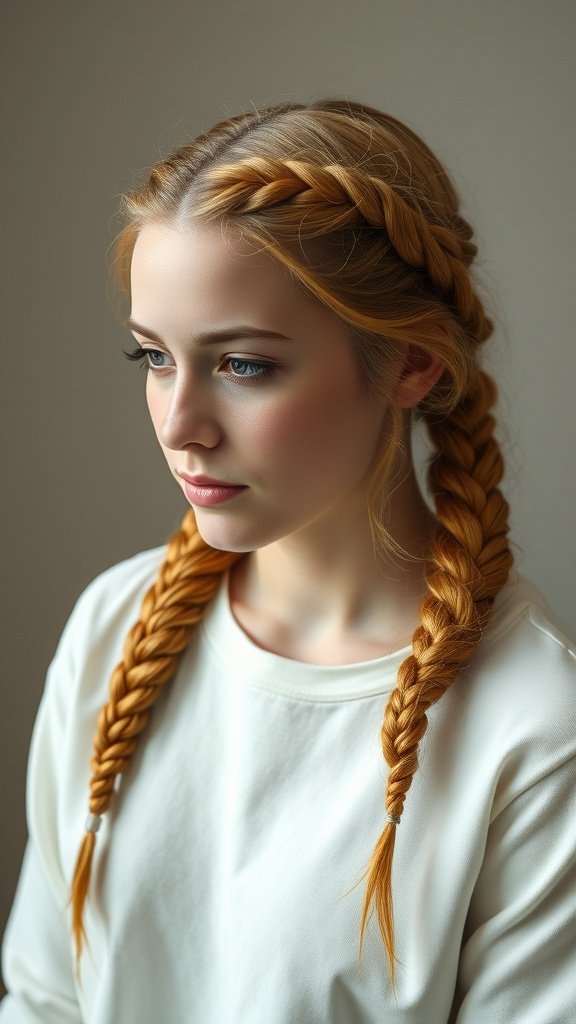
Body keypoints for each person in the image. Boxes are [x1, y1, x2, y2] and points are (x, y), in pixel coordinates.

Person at [1, 99, 574, 1024]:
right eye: (153, 356)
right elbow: (41, 998)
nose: (179, 426)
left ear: (413, 366)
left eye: (243, 366)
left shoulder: (535, 725)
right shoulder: (113, 626)